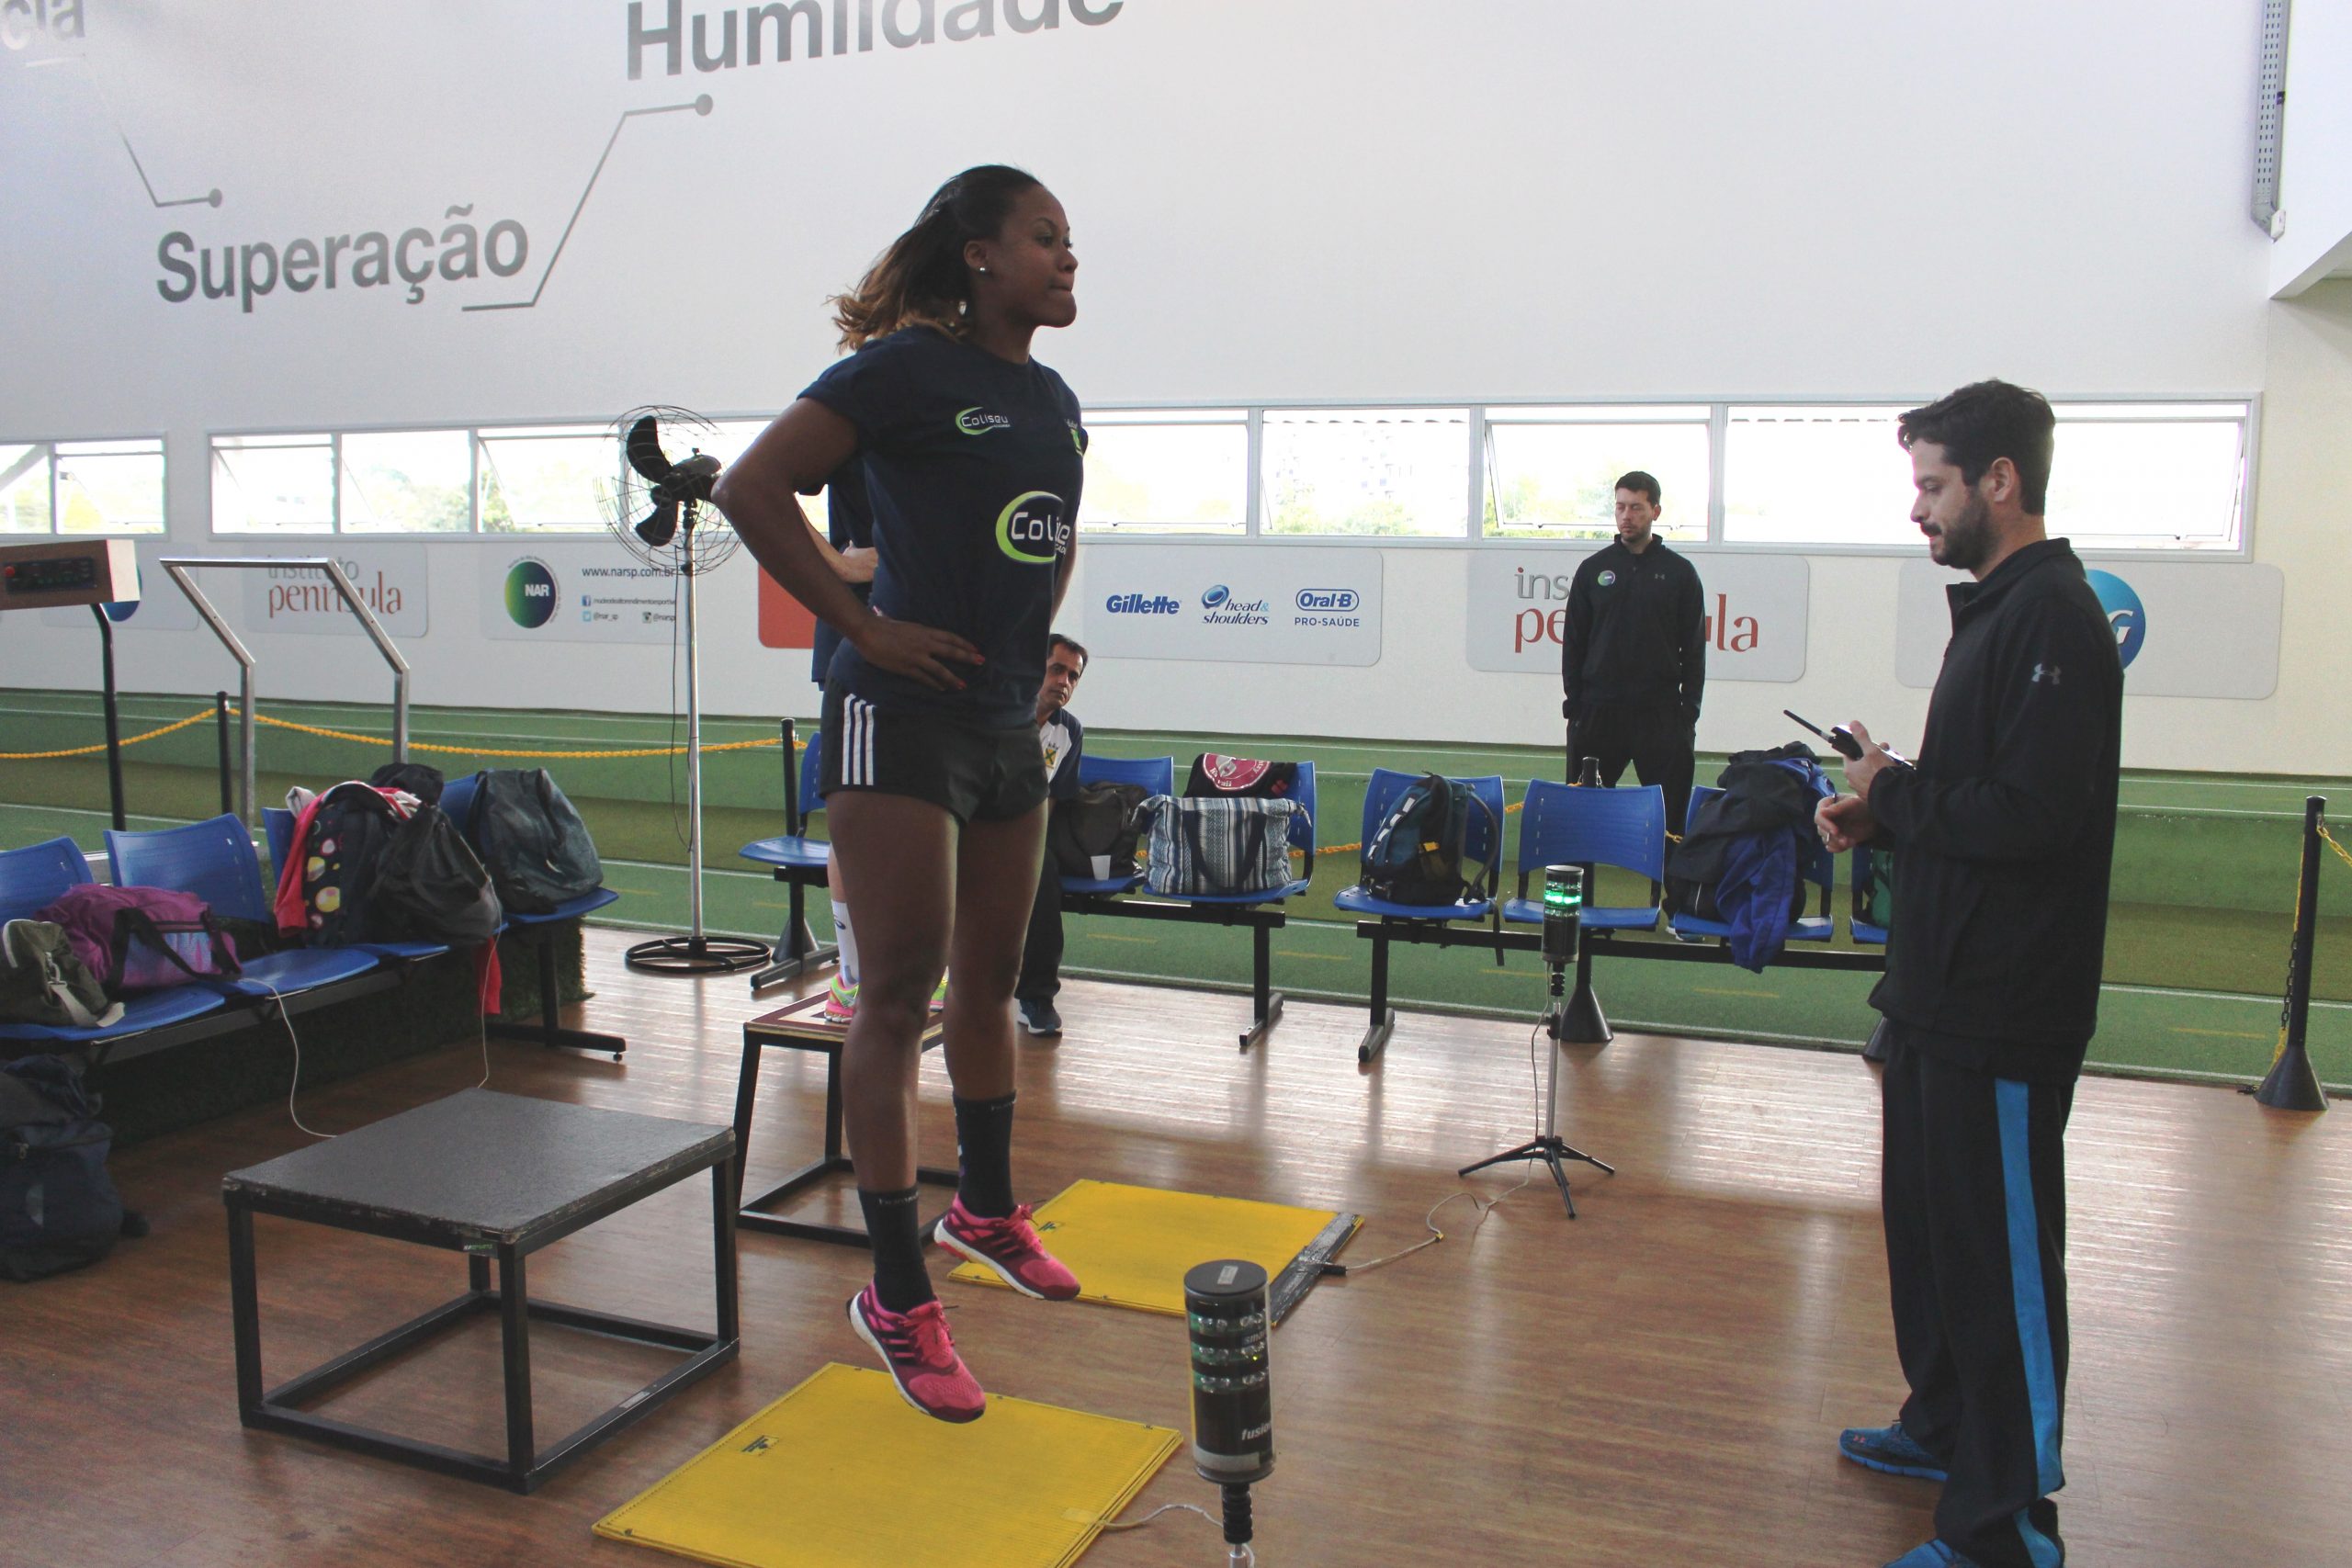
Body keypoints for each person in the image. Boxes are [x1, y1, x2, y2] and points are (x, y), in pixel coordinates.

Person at [714, 164, 1086, 1423]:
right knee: (897, 1001)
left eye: (1068, 240)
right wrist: (860, 628)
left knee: (989, 985)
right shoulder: (900, 372)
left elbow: (1047, 532)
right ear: (978, 254)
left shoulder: (1052, 397)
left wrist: (1035, 658)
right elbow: (750, 488)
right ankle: (894, 1293)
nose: (1067, 258)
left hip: (998, 726)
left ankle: (985, 1208)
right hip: (894, 721)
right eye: (1045, 237)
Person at [1815, 380, 2121, 1568]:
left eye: (1934, 484)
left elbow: (2037, 816)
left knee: (1999, 1266)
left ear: (2002, 480)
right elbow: (1979, 795)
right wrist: (1885, 809)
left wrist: (1898, 789)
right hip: (1937, 994)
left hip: (2006, 1007)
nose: (1919, 509)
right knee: (1933, 1240)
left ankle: (2009, 1525)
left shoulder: (2055, 616)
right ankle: (1943, 1427)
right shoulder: (1997, 614)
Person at [804, 461, 947, 1027]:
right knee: (857, 818)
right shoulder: (860, 404)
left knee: (927, 814)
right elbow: (749, 481)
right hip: (861, 640)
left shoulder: (960, 414)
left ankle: (922, 965)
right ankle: (854, 975)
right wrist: (839, 561)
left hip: (931, 635)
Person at [1559, 469, 1706, 832]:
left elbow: (1694, 648)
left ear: (1655, 511)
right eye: (1621, 507)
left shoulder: (1680, 573)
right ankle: (1578, 889)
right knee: (1581, 817)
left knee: (1670, 821)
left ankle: (1673, 890)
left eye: (1637, 508)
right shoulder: (1593, 569)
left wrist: (1689, 710)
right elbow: (1574, 642)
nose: (1627, 516)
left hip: (1661, 714)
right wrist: (1575, 703)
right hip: (1597, 712)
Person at [1015, 634, 1087, 1036]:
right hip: (973, 823)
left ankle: (1036, 998)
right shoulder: (1001, 711)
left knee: (1043, 875)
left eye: (1073, 676)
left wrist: (1031, 842)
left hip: (1025, 831)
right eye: (1056, 669)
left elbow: (1054, 799)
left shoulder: (1069, 731)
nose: (1064, 681)